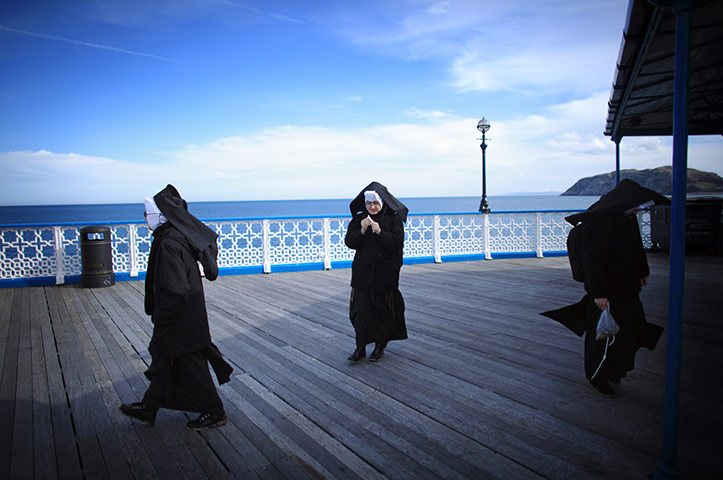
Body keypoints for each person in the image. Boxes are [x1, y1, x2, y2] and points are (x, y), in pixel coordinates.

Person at [120, 185, 233, 430]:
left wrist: (162, 315)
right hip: (186, 315)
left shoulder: (168, 243)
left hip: (180, 318)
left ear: (159, 217)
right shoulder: (175, 237)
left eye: (145, 215)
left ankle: (215, 411)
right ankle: (149, 407)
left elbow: (177, 289)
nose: (143, 219)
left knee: (190, 363)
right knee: (164, 360)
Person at [543, 179, 668, 397]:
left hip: (628, 287)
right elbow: (594, 262)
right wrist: (599, 294)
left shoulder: (628, 219)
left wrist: (642, 271)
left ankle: (616, 368)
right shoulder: (598, 223)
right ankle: (597, 376)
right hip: (605, 291)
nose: (638, 210)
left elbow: (636, 247)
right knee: (600, 336)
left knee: (631, 330)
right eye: (635, 205)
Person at [344, 181, 409, 363]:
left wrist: (380, 232)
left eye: (375, 203)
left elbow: (397, 243)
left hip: (384, 275)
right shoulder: (359, 219)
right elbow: (350, 242)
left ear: (382, 203)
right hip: (362, 276)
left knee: (382, 312)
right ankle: (360, 347)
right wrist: (363, 229)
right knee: (360, 313)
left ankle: (380, 346)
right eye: (369, 204)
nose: (372, 207)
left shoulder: (393, 219)